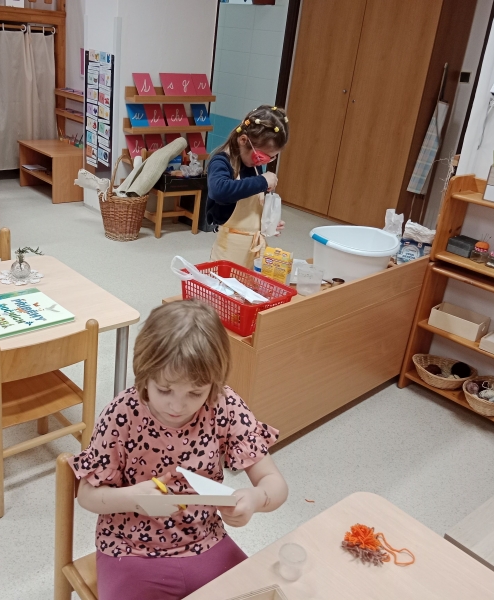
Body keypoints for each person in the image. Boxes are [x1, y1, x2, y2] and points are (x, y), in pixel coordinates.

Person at [71, 301, 288, 600]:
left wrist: (254, 499)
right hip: (130, 549)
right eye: (164, 390)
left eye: (195, 393)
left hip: (206, 540)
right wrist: (133, 498)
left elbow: (275, 484)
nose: (177, 405)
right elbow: (87, 495)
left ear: (214, 384)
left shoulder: (223, 405)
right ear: (145, 375)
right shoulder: (122, 413)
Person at [206, 105, 290, 269]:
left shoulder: (254, 167)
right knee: (226, 283)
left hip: (254, 250)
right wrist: (262, 181)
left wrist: (267, 221)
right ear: (243, 140)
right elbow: (219, 191)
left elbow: (250, 206)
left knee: (251, 283)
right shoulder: (221, 162)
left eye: (271, 159)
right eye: (261, 157)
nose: (262, 163)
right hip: (229, 251)